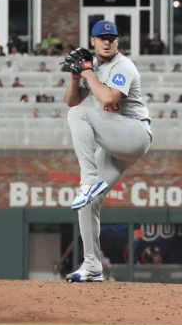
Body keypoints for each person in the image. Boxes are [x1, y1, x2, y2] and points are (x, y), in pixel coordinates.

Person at [63, 21, 152, 283]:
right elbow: (72, 99)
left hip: (135, 134)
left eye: (111, 38)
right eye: (102, 37)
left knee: (78, 115)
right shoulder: (95, 68)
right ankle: (92, 266)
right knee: (87, 202)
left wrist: (88, 72)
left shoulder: (122, 66)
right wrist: (75, 77)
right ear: (93, 41)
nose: (106, 42)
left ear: (117, 42)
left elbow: (109, 98)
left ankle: (89, 181)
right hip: (117, 144)